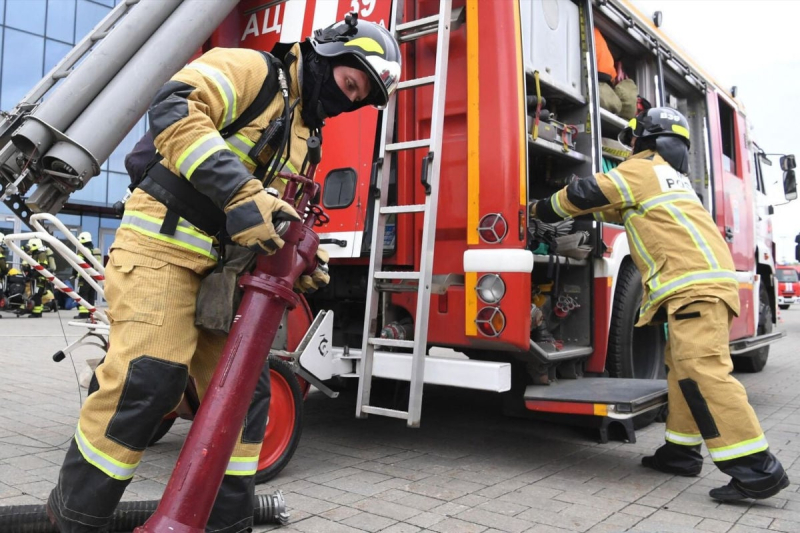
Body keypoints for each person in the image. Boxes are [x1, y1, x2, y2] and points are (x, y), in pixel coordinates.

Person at [46, 15, 400, 533]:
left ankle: (225, 523)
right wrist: (240, 191)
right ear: (327, 54)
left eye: (359, 98)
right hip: (159, 250)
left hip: (222, 276)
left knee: (245, 394)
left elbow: (271, 213)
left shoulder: (306, 134)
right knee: (149, 380)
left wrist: (297, 258)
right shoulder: (252, 71)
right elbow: (174, 109)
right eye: (348, 85)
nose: (347, 102)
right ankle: (74, 518)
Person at [529, 106, 789, 502]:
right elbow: (615, 206)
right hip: (703, 287)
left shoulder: (643, 169)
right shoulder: (672, 180)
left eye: (633, 141)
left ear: (644, 140)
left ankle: (757, 470)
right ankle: (680, 453)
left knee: (703, 372)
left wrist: (537, 210)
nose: (630, 147)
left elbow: (587, 194)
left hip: (693, 289)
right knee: (683, 371)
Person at [73, 231, 102, 320]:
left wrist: (74, 273)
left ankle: (83, 313)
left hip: (84, 276)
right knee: (91, 295)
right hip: (93, 276)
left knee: (83, 294)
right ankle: (90, 313)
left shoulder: (82, 250)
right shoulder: (93, 250)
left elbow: (78, 263)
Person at [23, 238, 49, 318]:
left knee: (37, 295)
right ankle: (38, 311)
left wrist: (34, 276)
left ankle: (37, 313)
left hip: (40, 279)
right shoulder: (35, 253)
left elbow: (42, 267)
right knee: (35, 294)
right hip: (35, 278)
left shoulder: (41, 254)